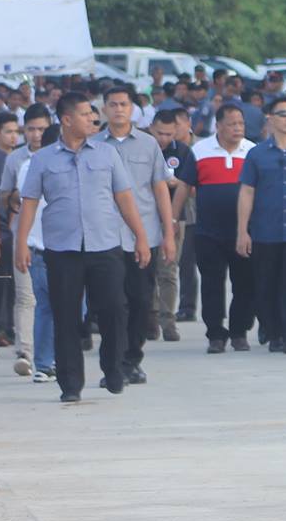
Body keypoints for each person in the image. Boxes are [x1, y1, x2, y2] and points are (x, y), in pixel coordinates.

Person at [14, 90, 149, 403]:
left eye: (93, 113)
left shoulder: (106, 154)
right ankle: (70, 384)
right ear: (66, 119)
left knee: (114, 309)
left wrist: (140, 237)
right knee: (66, 317)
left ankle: (114, 369)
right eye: (87, 113)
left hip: (105, 246)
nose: (93, 118)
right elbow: (30, 204)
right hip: (62, 251)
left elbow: (124, 198)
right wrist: (21, 244)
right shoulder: (43, 159)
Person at [91, 85, 176, 385]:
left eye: (123, 104)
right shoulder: (92, 144)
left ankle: (132, 359)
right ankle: (113, 364)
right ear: (104, 108)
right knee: (111, 303)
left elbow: (160, 188)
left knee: (140, 299)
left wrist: (168, 233)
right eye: (112, 104)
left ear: (132, 109)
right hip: (105, 238)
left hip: (143, 235)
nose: (118, 109)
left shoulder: (149, 144)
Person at [236, 94, 286, 355]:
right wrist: (242, 230)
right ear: (270, 118)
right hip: (265, 230)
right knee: (266, 284)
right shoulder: (257, 154)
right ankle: (273, 331)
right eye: (283, 114)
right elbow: (247, 192)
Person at [190, 105, 257, 354]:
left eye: (241, 123)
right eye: (232, 124)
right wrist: (173, 222)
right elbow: (186, 186)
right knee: (211, 285)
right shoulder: (199, 151)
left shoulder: (252, 151)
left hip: (244, 232)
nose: (238, 128)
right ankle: (215, 334)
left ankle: (239, 332)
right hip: (208, 232)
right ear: (218, 126)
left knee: (245, 284)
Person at [1, 103, 53, 379]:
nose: (36, 134)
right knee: (26, 297)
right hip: (23, 237)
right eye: (31, 129)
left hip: (54, 240)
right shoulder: (17, 160)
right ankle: (26, 352)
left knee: (48, 301)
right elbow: (6, 195)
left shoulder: (56, 156)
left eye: (41, 129)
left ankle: (49, 354)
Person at [149, 104, 196, 342]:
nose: (164, 139)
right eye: (160, 134)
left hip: (176, 218)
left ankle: (168, 321)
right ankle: (150, 318)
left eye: (169, 134)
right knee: (147, 270)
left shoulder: (184, 152)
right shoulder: (144, 149)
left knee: (168, 270)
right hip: (146, 217)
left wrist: (174, 216)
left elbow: (187, 187)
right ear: (152, 129)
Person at [0, 108, 14, 347]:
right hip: (0, 229)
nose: (13, 136)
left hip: (15, 228)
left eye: (15, 131)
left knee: (9, 283)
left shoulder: (19, 158)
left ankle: (6, 326)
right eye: (8, 132)